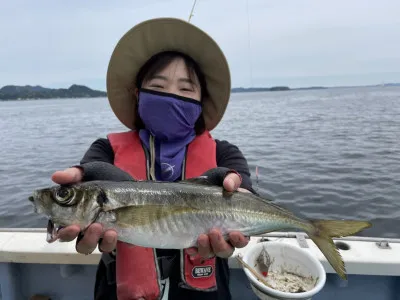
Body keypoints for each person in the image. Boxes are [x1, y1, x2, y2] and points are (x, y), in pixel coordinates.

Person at [51, 18, 257, 300]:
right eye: (158, 87)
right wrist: (74, 196)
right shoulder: (105, 150)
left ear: (200, 103)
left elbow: (245, 190)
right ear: (138, 95)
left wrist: (243, 192)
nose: (171, 96)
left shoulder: (224, 153)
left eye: (185, 90)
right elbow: (85, 192)